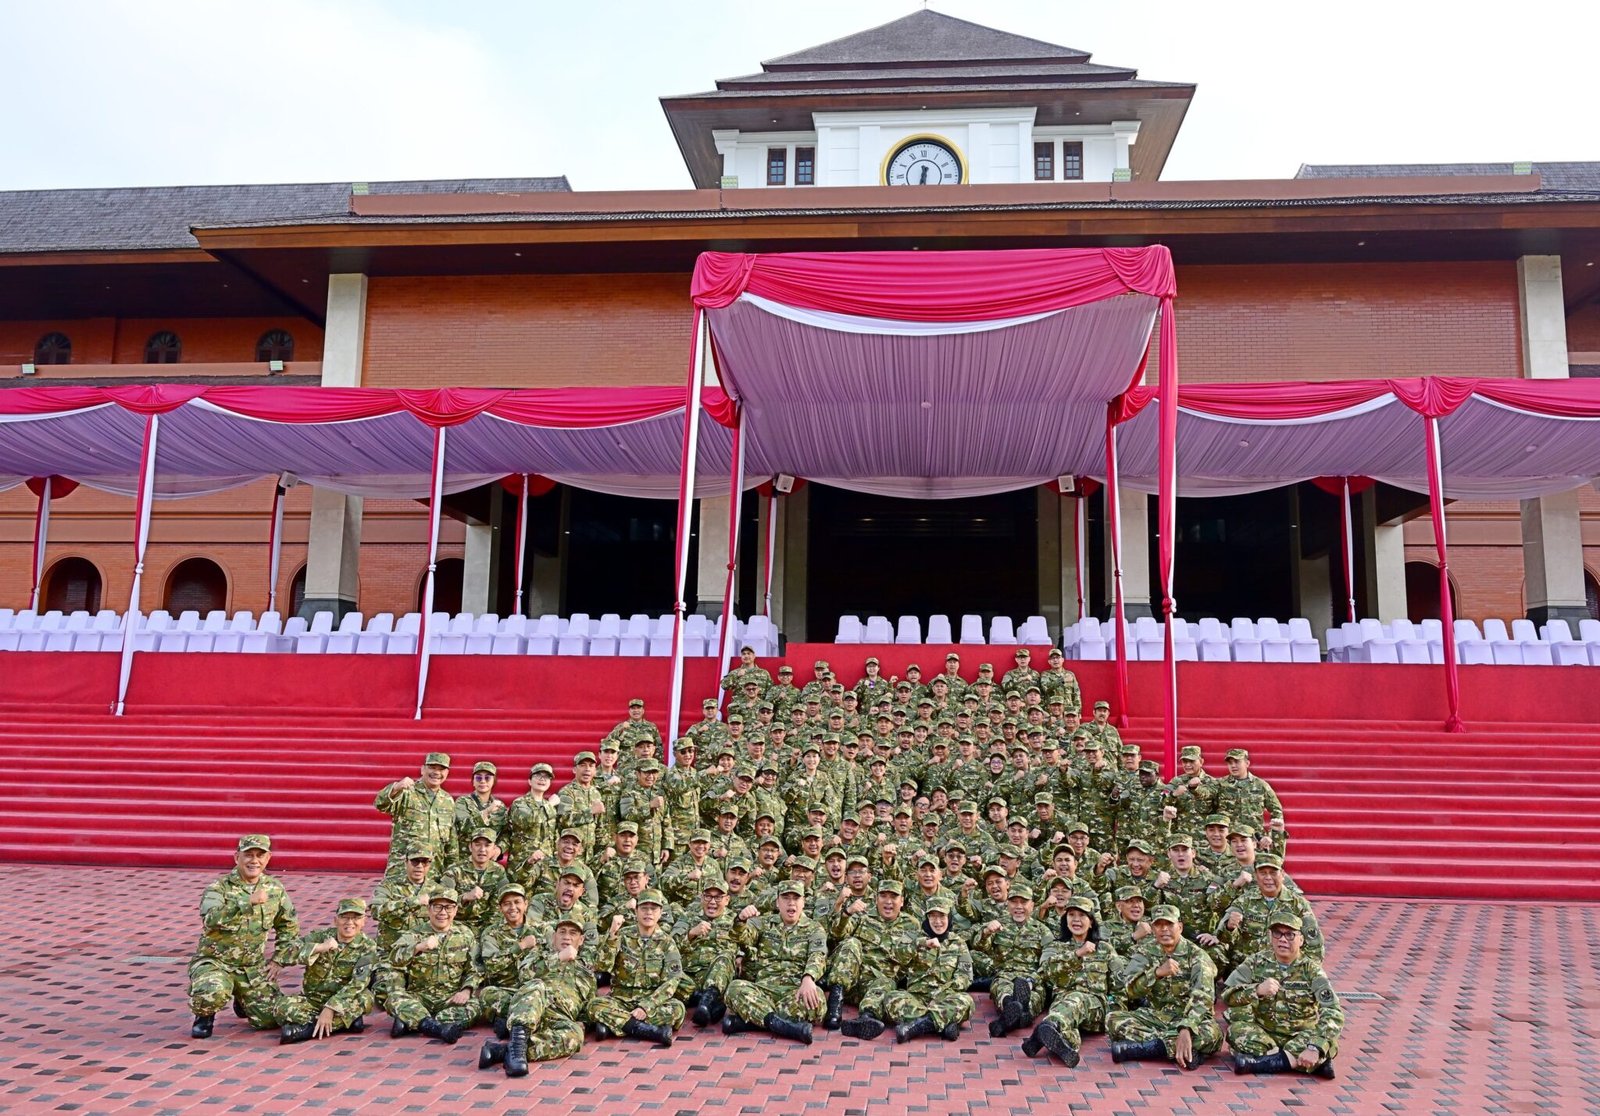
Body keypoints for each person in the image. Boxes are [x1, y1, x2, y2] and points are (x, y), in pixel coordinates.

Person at [187, 834, 300, 1038]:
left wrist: (279, 959)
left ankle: (242, 998)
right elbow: (210, 919)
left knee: (270, 1019)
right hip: (216, 962)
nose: (254, 861)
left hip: (251, 966)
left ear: (268, 858)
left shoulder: (274, 889)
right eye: (248, 855)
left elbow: (288, 925)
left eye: (260, 855)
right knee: (212, 992)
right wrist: (246, 903)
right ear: (236, 857)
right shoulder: (219, 888)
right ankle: (204, 1016)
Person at [1222, 912, 1342, 1078]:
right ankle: (1304, 1064)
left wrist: (1314, 1047)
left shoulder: (1312, 970)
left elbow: (1333, 1011)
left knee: (1327, 1041)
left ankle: (1258, 1063)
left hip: (1300, 1035)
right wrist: (1256, 990)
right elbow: (1228, 995)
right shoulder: (1256, 961)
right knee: (1236, 1031)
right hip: (1265, 1034)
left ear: (1301, 939)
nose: (1283, 939)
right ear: (1271, 937)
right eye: (1277, 933)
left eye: (1290, 934)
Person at [1107, 904, 1221, 1070]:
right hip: (1157, 1016)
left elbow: (1204, 996)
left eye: (1169, 925)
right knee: (1113, 1020)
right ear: (1153, 928)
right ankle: (1171, 1047)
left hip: (1191, 1018)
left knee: (1213, 1035)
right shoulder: (1145, 952)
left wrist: (1186, 1027)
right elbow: (1129, 989)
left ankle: (1152, 1048)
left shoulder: (1197, 955)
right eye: (1159, 925)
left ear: (1180, 927)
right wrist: (1156, 973)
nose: (1164, 930)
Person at [481, 914, 596, 1076]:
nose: (567, 937)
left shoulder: (586, 972)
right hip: (530, 1004)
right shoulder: (539, 954)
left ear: (581, 940)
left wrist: (584, 1023)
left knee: (575, 1036)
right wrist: (558, 958)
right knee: (492, 993)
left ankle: (505, 1050)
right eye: (562, 932)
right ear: (554, 936)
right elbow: (525, 976)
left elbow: (587, 1004)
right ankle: (517, 1052)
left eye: (573, 933)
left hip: (557, 1016)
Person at [853, 894, 973, 1043]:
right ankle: (942, 1024)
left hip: (945, 996)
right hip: (916, 997)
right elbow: (897, 955)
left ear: (949, 918)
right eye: (933, 917)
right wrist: (920, 944)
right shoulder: (911, 936)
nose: (937, 922)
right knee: (892, 999)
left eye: (942, 916)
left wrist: (945, 990)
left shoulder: (958, 943)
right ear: (927, 919)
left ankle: (916, 1026)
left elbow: (965, 976)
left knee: (966, 1001)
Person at [722, 880, 828, 1043]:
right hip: (763, 990)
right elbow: (740, 937)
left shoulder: (814, 928)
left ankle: (754, 1021)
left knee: (818, 999)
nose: (791, 903)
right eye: (786, 898)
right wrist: (741, 920)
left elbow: (818, 955)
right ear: (778, 902)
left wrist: (808, 978)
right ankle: (782, 1025)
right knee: (734, 989)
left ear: (803, 902)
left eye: (796, 898)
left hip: (795, 991)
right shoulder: (763, 923)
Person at [1022, 896, 1120, 1067]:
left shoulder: (1105, 949)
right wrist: (1076, 955)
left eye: (1082, 915)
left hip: (1094, 1007)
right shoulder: (1055, 946)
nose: (1076, 920)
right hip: (1062, 1004)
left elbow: (1119, 986)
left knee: (1076, 999)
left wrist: (1114, 1016)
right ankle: (1065, 1043)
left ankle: (1044, 1029)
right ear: (1065, 920)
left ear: (1091, 922)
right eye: (1071, 915)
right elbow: (1046, 971)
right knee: (1067, 1029)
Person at [587, 890, 684, 1046]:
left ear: (660, 913)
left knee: (677, 1009)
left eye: (654, 909)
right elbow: (602, 966)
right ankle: (651, 1031)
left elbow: (672, 981)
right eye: (644, 908)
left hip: (651, 1000)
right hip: (620, 999)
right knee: (594, 1006)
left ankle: (615, 1025)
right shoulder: (621, 935)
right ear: (636, 911)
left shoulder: (667, 942)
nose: (649, 913)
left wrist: (645, 1007)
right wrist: (611, 935)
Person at [275, 897, 378, 1044]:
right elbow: (286, 953)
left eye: (356, 918)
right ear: (336, 920)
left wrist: (331, 1008)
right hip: (313, 1000)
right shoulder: (320, 937)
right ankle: (344, 1022)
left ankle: (307, 1030)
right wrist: (319, 948)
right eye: (345, 917)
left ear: (363, 922)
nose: (350, 922)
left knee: (365, 998)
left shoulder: (368, 947)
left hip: (344, 1000)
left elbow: (358, 984)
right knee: (281, 1008)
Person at [821, 879, 920, 1030]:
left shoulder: (911, 925)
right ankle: (834, 1008)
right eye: (883, 896)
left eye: (893, 897)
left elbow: (910, 961)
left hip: (876, 987)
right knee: (851, 942)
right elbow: (836, 934)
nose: (888, 902)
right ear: (876, 899)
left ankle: (866, 1019)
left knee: (887, 982)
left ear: (901, 901)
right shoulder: (863, 914)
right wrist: (847, 913)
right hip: (849, 981)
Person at [387, 887, 483, 1044]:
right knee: (394, 999)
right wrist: (418, 947)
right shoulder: (414, 934)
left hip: (449, 998)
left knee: (476, 1007)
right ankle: (438, 1028)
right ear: (429, 909)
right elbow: (393, 959)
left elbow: (475, 968)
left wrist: (466, 990)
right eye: (437, 906)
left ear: (456, 909)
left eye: (449, 907)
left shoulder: (465, 935)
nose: (443, 912)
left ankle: (416, 1021)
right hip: (419, 997)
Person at [980, 881, 1053, 1038]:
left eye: (1023, 902)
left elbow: (1048, 963)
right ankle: (1014, 1010)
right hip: (1005, 974)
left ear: (1032, 905)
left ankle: (1010, 1018)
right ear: (1008, 905)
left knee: (1034, 999)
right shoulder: (998, 925)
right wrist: (986, 933)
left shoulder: (1042, 931)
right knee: (1002, 990)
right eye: (1014, 902)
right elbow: (981, 948)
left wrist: (1031, 981)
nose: (1018, 906)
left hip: (1032, 978)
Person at [674, 872, 742, 1026]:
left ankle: (704, 1004)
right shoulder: (688, 917)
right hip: (689, 976)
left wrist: (741, 955)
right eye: (708, 896)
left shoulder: (734, 920)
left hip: (717, 975)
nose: (712, 902)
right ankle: (708, 1001)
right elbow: (671, 945)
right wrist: (691, 934)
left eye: (718, 897)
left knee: (725, 957)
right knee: (668, 973)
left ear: (727, 900)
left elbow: (747, 943)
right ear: (701, 897)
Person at [374, 753, 456, 875]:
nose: (437, 773)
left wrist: (450, 872)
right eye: (432, 768)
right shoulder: (407, 792)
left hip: (433, 873)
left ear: (447, 773)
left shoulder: (447, 800)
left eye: (441, 769)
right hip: (403, 872)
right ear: (422, 769)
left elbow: (451, 841)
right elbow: (380, 804)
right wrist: (396, 787)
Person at [1217, 748, 1289, 855]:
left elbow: (1276, 810)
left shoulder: (1260, 785)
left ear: (1247, 763)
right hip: (1229, 841)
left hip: (1254, 840)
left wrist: (1269, 835)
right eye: (1230, 763)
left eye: (1237, 762)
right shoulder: (1220, 785)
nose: (1233, 766)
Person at [504, 763, 559, 887]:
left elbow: (553, 836)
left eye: (546, 777)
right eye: (538, 775)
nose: (542, 779)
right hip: (522, 864)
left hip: (545, 865)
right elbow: (529, 820)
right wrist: (549, 805)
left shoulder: (550, 807)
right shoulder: (520, 803)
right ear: (529, 781)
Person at [453, 761, 509, 860]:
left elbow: (506, 833)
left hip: (489, 861)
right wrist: (486, 812)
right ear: (473, 782)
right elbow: (463, 826)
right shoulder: (463, 802)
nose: (483, 781)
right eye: (478, 778)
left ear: (494, 781)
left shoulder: (500, 807)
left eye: (487, 778)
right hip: (466, 859)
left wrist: (500, 848)